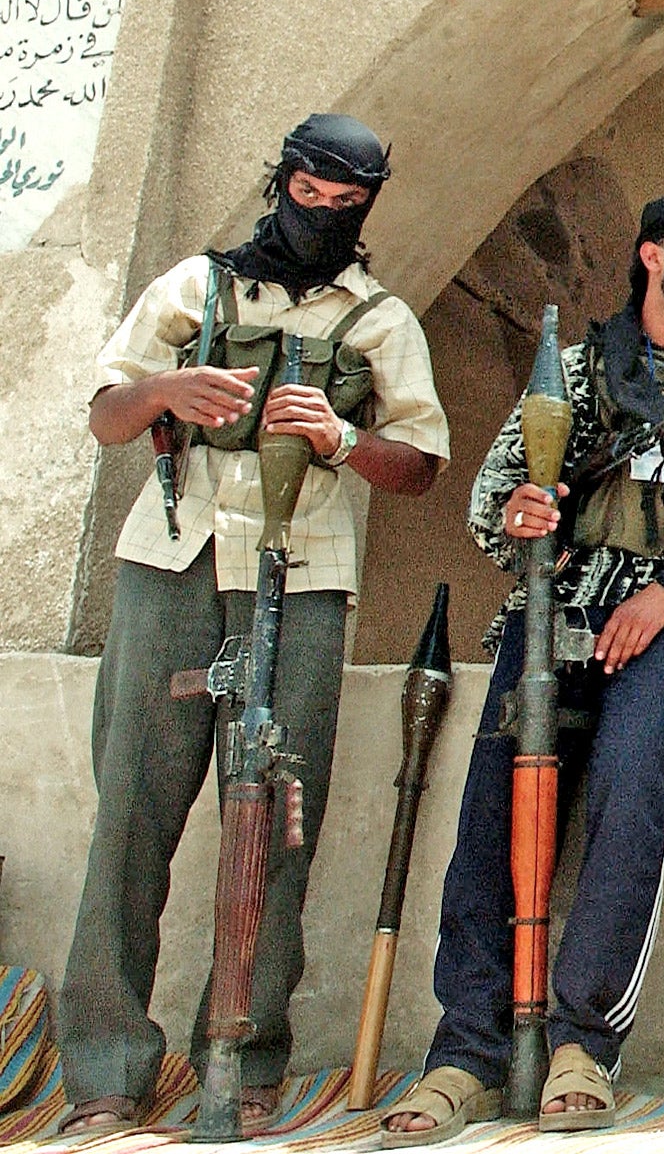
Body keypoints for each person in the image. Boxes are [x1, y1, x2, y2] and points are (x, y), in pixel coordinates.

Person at [57, 115, 449, 1136]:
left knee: (276, 818)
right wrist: (166, 391)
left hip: (303, 575)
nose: (319, 214)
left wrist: (341, 438)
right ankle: (104, 1070)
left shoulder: (379, 321)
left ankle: (244, 1054)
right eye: (306, 193)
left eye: (344, 202)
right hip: (174, 560)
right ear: (281, 183)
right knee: (132, 812)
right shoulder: (195, 289)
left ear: (366, 204)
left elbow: (419, 467)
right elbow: (105, 415)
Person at [380, 194, 664, 1145]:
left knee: (631, 805)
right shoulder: (582, 369)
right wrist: (522, 520)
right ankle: (464, 1054)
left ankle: (583, 1045)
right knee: (494, 819)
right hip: (551, 613)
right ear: (651, 256)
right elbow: (492, 501)